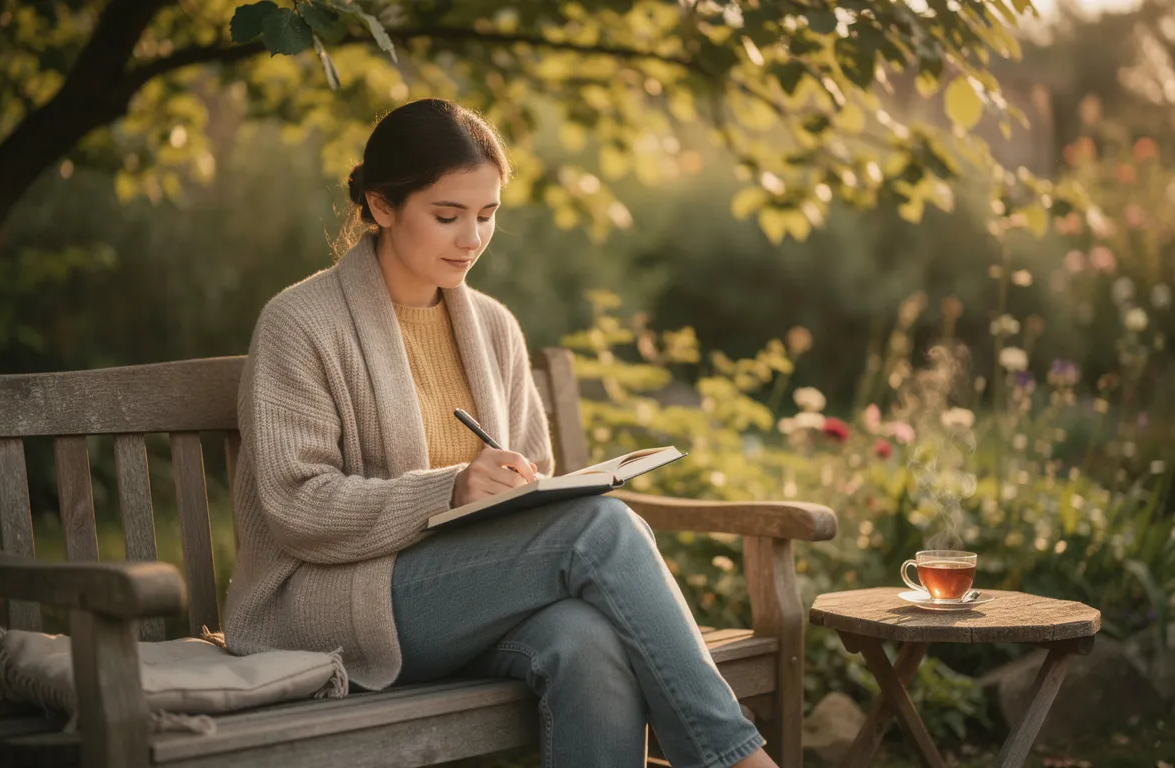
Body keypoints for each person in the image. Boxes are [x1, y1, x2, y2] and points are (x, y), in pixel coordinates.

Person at [223, 98, 777, 768]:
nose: (472, 238)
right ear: (381, 205)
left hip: (467, 597)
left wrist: (519, 491)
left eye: (487, 216)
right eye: (448, 215)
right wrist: (451, 490)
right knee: (601, 529)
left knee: (585, 642)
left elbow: (534, 476)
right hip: (337, 606)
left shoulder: (493, 326)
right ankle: (736, 760)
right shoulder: (300, 322)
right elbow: (297, 507)